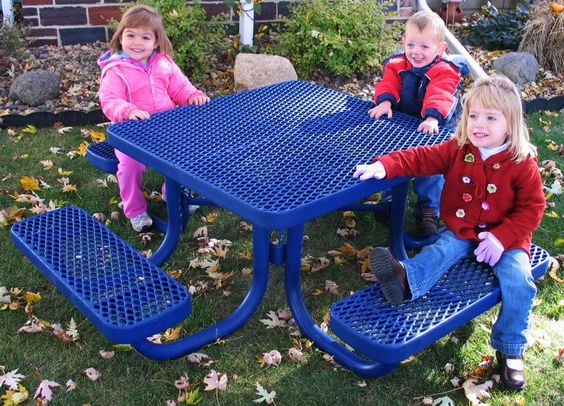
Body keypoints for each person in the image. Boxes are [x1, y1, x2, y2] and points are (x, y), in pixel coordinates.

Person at [353, 75, 545, 390]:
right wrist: (385, 165)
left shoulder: (521, 162)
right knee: (439, 251)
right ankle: (404, 280)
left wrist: (501, 238)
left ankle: (510, 349)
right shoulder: (459, 149)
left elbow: (532, 208)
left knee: (519, 281)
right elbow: (420, 156)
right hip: (464, 229)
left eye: (491, 118)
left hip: (506, 239)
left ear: (510, 124)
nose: (479, 124)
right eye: (473, 116)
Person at [98, 5, 209, 232]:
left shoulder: (163, 63)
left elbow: (180, 87)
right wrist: (128, 111)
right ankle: (135, 209)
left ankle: (174, 193)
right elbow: (109, 99)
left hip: (166, 128)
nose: (137, 42)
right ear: (121, 37)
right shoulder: (116, 69)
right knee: (131, 165)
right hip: (131, 133)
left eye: (145, 37)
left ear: (156, 41)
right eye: (130, 35)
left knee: (185, 153)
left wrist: (192, 95)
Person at [369, 10, 469, 236]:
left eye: (425, 47)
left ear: (440, 49)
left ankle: (427, 210)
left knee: (430, 170)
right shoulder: (397, 63)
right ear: (404, 41)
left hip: (436, 128)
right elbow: (389, 83)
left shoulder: (445, 70)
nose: (416, 52)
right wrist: (385, 102)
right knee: (391, 158)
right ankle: (391, 200)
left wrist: (433, 117)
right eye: (411, 44)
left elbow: (440, 94)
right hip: (404, 125)